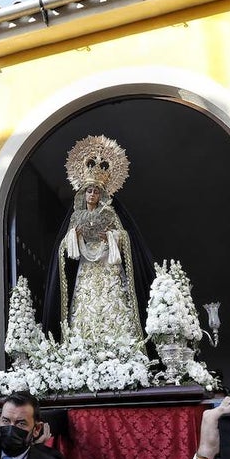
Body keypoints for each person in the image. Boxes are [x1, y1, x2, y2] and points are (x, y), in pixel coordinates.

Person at [57, 134, 144, 351]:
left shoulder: (109, 212)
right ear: (83, 193)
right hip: (86, 265)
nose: (93, 194)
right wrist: (74, 235)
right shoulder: (76, 217)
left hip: (107, 262)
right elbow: (63, 248)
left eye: (96, 191)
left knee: (112, 302)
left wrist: (111, 238)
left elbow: (124, 236)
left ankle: (120, 347)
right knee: (86, 303)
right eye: (89, 190)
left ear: (101, 194)